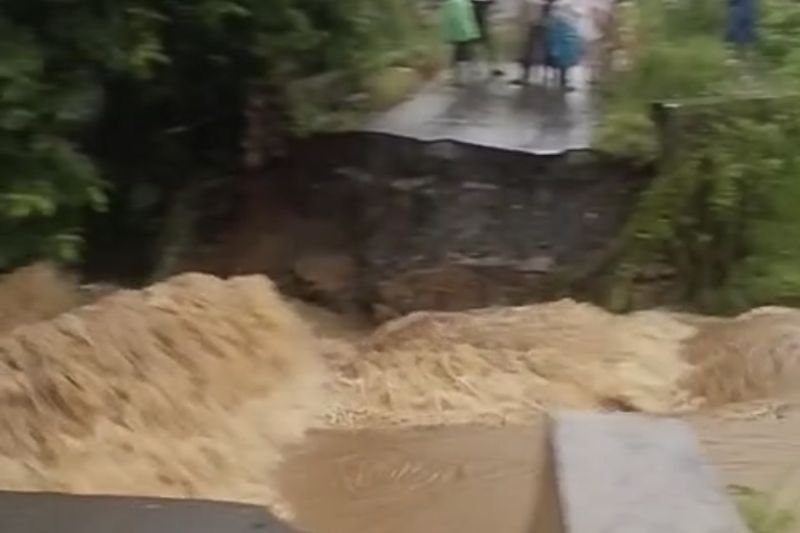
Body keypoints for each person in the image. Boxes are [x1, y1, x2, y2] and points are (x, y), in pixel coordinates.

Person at [513, 0, 554, 85]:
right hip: (543, 25)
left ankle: (526, 76)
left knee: (530, 50)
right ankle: (544, 75)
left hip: (536, 25)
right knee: (539, 50)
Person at [544, 0, 583, 90]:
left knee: (562, 59)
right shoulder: (564, 7)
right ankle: (562, 80)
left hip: (564, 32)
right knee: (562, 59)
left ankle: (560, 79)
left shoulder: (560, 7)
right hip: (563, 32)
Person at [441, 0, 481, 85]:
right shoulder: (466, 3)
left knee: (458, 54)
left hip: (456, 33)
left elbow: (447, 20)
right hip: (466, 32)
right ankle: (466, 75)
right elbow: (471, 18)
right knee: (465, 53)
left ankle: (459, 78)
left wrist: (447, 34)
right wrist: (473, 31)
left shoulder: (449, 4)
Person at [471, 0, 503, 76]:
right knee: (484, 47)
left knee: (483, 47)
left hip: (480, 26)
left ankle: (482, 67)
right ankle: (489, 67)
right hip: (479, 26)